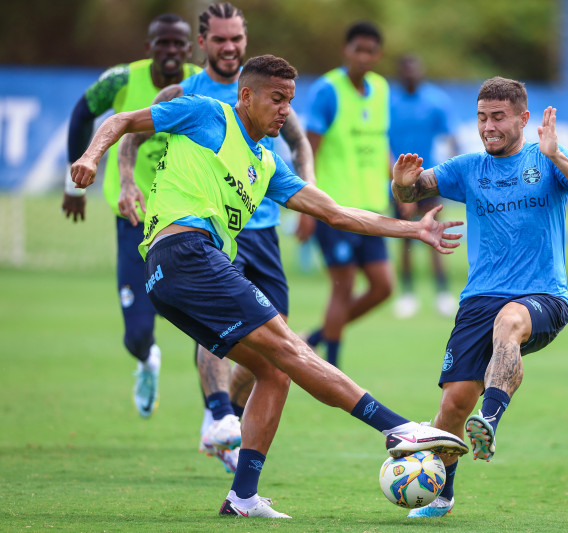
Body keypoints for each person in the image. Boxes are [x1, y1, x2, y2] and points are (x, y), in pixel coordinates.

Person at [71, 54, 469, 519]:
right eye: (276, 99)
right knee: (289, 346)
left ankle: (242, 497)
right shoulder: (206, 113)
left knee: (275, 371)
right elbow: (121, 119)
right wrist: (88, 157)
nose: (285, 109)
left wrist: (414, 230)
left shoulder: (266, 163)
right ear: (246, 96)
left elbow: (337, 213)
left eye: (290, 101)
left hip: (171, 276)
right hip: (186, 253)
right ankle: (401, 429)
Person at [391, 77, 568, 517]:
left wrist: (557, 156)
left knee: (509, 320)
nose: (488, 127)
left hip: (542, 295)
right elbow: (412, 192)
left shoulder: (546, 161)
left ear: (523, 119)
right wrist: (401, 183)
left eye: (498, 118)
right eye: (481, 118)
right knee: (451, 406)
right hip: (478, 299)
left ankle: (489, 419)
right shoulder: (468, 167)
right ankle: (443, 494)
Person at [117, 2, 315, 475]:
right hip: (208, 228)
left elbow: (301, 142)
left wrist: (309, 188)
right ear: (202, 44)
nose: (230, 47)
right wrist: (127, 180)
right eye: (221, 40)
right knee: (223, 317)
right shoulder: (187, 93)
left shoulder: (271, 90)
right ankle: (218, 414)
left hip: (263, 226)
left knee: (275, 338)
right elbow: (131, 133)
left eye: (237, 39)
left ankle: (233, 422)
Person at [61, 13, 199, 418]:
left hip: (185, 220)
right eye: (163, 44)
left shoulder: (198, 85)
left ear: (189, 49)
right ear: (148, 48)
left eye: (179, 44)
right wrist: (74, 185)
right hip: (133, 217)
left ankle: (218, 409)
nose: (171, 52)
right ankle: (146, 360)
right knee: (137, 333)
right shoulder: (121, 80)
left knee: (212, 321)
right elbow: (80, 114)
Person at [298, 21, 392, 368]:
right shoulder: (328, 90)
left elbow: (380, 142)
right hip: (334, 208)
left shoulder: (381, 89)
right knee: (344, 285)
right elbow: (309, 150)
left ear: (378, 55)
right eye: (358, 49)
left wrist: (397, 186)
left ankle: (318, 338)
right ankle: (332, 367)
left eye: (371, 51)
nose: (364, 57)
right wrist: (307, 209)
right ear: (346, 51)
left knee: (383, 287)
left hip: (372, 207)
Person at [389, 54, 459, 319]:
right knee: (405, 235)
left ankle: (442, 292)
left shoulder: (436, 100)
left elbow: (451, 138)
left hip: (430, 178)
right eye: (406, 70)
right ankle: (407, 293)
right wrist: (396, 182)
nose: (410, 74)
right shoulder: (389, 102)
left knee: (434, 232)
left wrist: (449, 174)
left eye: (414, 69)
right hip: (398, 181)